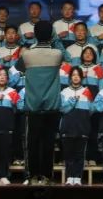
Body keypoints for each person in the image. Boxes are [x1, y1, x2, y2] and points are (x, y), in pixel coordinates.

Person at [17, 20, 64, 186]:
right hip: (52, 107)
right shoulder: (57, 54)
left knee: (32, 144)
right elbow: (66, 54)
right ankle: (47, 177)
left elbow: (18, 67)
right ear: (51, 34)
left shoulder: (27, 55)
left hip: (33, 107)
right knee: (49, 144)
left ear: (35, 35)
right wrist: (55, 37)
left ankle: (32, 176)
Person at [59, 66, 95, 185]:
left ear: (81, 78)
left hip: (82, 127)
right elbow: (62, 109)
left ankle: (78, 177)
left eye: (78, 75)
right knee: (68, 154)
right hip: (67, 127)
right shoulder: (64, 92)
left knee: (80, 155)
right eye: (73, 75)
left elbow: (91, 110)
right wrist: (72, 101)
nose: (75, 77)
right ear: (70, 77)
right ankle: (70, 177)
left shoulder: (86, 91)